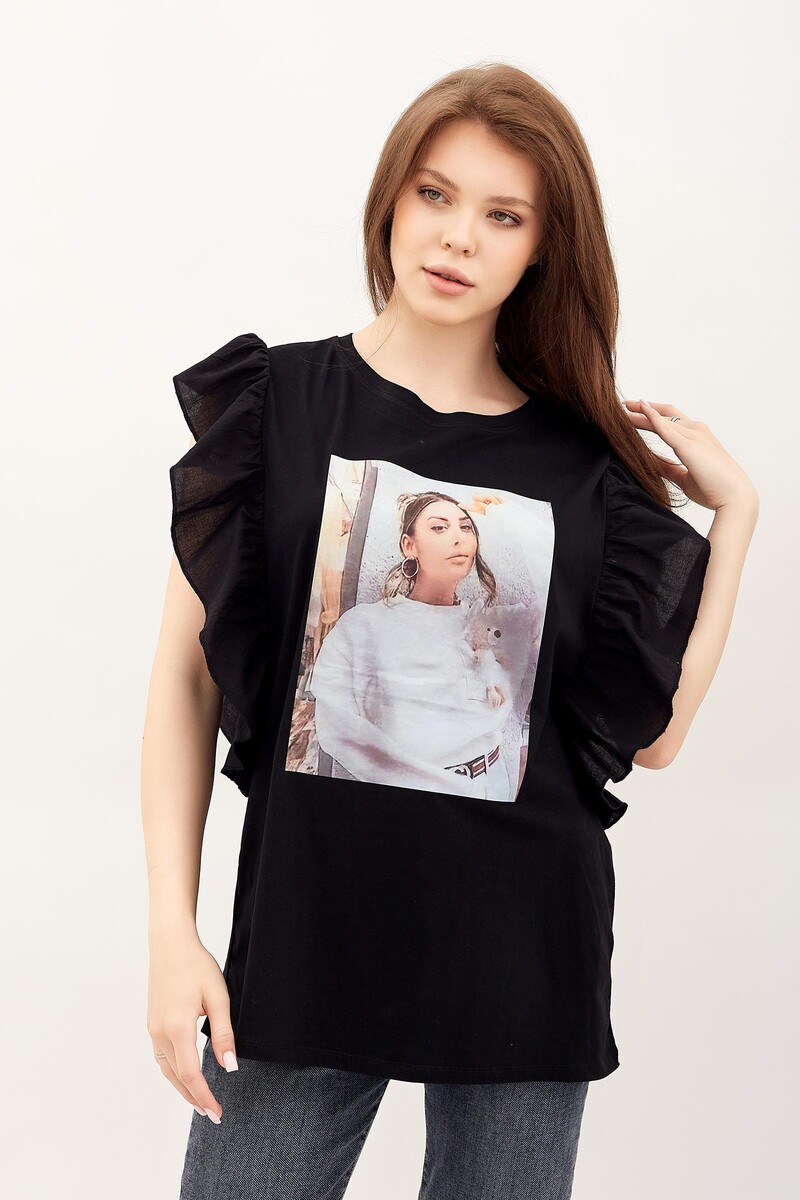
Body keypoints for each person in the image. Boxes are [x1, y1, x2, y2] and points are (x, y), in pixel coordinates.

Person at [141, 62, 759, 1199]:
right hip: (304, 951)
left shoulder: (586, 472)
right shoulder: (278, 406)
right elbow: (185, 684)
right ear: (391, 198)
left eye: (503, 215)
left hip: (523, 964)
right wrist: (172, 936)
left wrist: (740, 520)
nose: (458, 236)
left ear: (542, 249)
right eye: (435, 193)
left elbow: (655, 737)